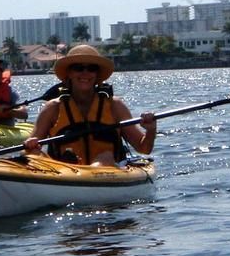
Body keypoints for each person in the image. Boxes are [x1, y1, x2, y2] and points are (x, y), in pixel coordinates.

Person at [22, 45, 156, 166]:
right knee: (38, 155)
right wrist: (31, 145)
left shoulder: (114, 106)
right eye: (78, 68)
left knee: (105, 157)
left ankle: (96, 169)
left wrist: (150, 131)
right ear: (69, 73)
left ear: (97, 74)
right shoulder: (53, 108)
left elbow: (144, 148)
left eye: (91, 68)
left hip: (109, 171)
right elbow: (29, 150)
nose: (85, 73)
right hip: (65, 172)